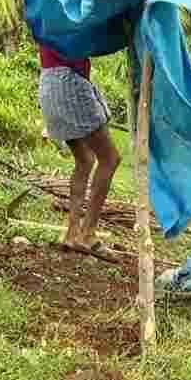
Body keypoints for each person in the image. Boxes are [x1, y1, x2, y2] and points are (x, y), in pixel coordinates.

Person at [37, 42, 121, 248]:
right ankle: (88, 234)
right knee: (110, 159)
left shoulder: (46, 17)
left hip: (48, 83)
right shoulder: (69, 14)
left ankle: (72, 233)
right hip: (69, 81)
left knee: (85, 159)